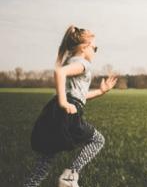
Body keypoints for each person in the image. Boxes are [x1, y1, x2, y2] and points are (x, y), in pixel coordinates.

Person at [23, 25, 118, 187]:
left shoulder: (71, 60)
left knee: (46, 159)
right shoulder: (83, 64)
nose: (95, 51)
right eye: (95, 48)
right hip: (68, 111)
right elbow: (59, 73)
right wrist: (64, 102)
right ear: (85, 47)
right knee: (97, 140)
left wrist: (100, 92)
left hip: (56, 111)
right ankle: (69, 176)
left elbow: (77, 95)